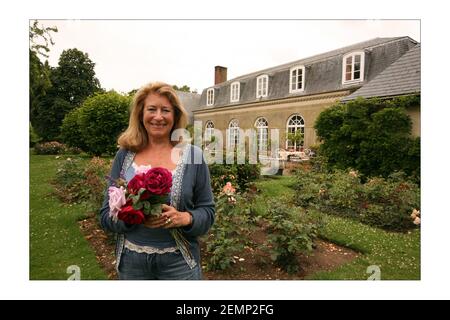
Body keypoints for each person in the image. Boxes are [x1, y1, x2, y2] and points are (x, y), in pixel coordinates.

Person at [100, 82, 215, 280]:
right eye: (151, 109)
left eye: (166, 110)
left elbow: (208, 211)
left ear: (175, 116)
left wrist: (185, 218)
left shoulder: (193, 156)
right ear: (140, 114)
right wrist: (132, 216)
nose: (158, 116)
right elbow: (105, 214)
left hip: (179, 264)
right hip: (132, 263)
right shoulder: (124, 155)